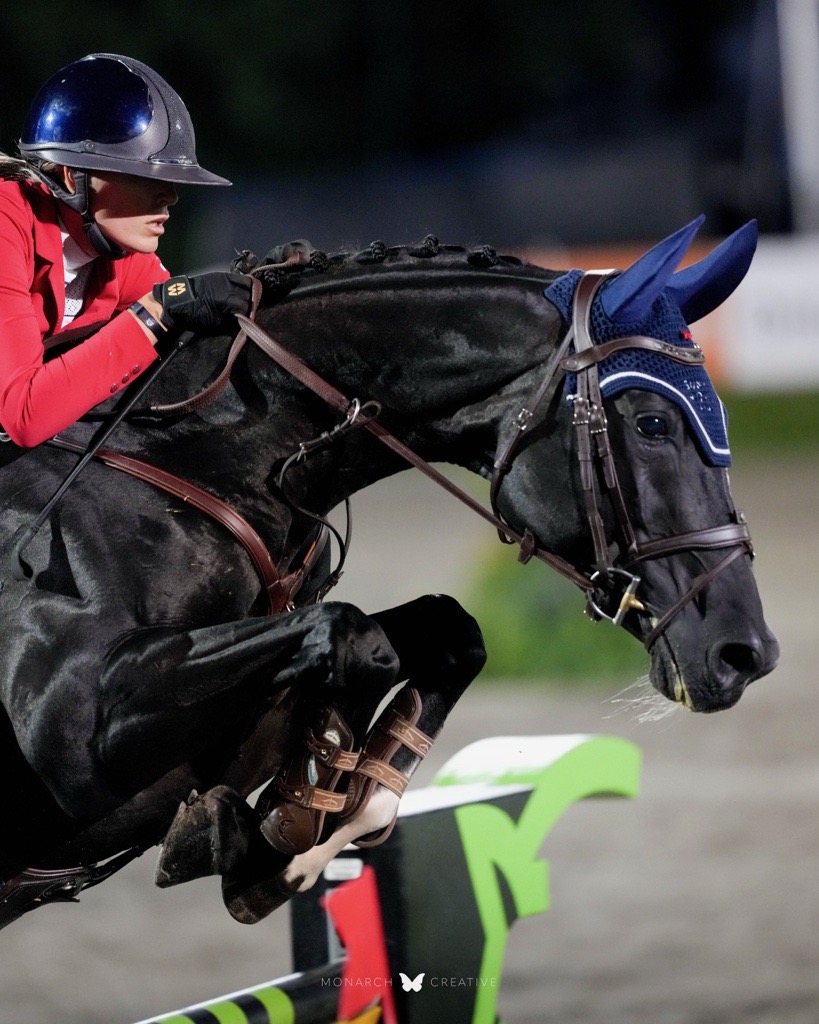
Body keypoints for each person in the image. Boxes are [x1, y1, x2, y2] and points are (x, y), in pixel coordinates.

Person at [0, 52, 251, 448]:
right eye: (143, 176)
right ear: (73, 177)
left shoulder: (123, 258)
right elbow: (25, 415)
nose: (170, 195)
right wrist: (156, 310)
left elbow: (187, 333)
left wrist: (268, 288)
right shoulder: (5, 223)